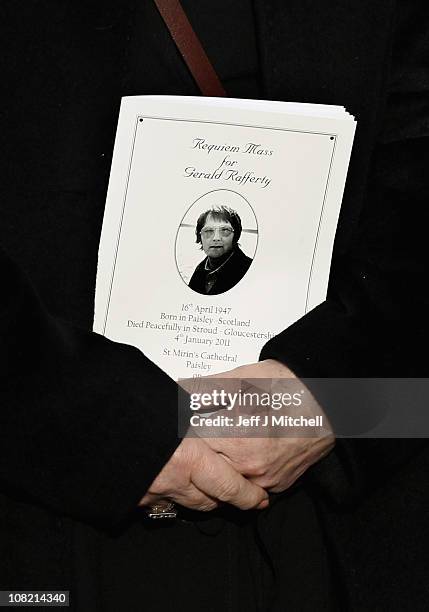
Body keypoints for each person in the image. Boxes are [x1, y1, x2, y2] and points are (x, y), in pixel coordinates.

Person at [1, 1, 428, 611]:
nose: (213, 241)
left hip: (342, 515)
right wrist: (101, 428)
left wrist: (335, 394)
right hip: (40, 515)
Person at [188, 206, 252, 295]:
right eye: (208, 231)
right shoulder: (200, 269)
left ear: (235, 236)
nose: (216, 238)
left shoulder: (249, 270)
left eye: (225, 230)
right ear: (200, 236)